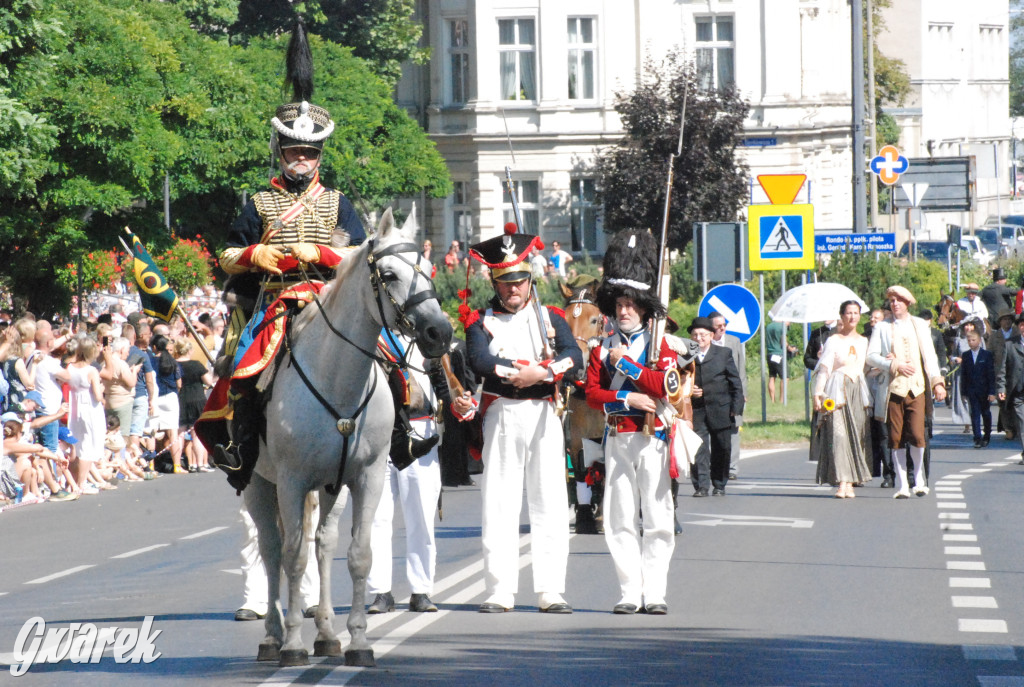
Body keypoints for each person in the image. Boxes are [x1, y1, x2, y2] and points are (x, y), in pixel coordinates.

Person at [201, 21, 366, 493]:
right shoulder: (259, 202)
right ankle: (243, 447)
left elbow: (358, 252)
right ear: (280, 150)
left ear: (320, 156)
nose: (302, 160)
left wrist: (324, 253)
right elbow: (227, 255)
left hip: (331, 298)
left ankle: (402, 430)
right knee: (247, 368)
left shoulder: (338, 203)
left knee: (391, 352)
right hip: (278, 302)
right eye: (294, 151)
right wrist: (258, 253)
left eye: (310, 153)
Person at [464, 225, 583, 613]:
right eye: (505, 283)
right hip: (502, 410)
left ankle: (551, 589)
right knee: (499, 503)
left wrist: (543, 374)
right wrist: (519, 371)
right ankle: (500, 590)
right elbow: (479, 361)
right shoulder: (480, 321)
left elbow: (573, 357)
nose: (513, 290)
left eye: (519, 281)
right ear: (496, 283)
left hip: (543, 412)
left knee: (550, 500)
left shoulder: (550, 317)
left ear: (529, 280)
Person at [585, 229, 677, 615]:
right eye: (620, 304)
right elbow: (591, 393)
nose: (624, 311)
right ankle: (628, 592)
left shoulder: (661, 345)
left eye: (631, 305)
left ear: (642, 308)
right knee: (620, 518)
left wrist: (624, 364)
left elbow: (664, 386)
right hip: (617, 435)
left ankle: (654, 592)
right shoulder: (601, 345)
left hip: (652, 436)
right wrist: (624, 395)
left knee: (657, 519)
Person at [366, 330, 476, 614]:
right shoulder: (373, 333)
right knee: (376, 518)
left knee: (421, 519)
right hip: (376, 432)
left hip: (420, 428)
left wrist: (459, 402)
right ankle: (380, 591)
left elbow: (447, 388)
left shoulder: (431, 339)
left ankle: (421, 590)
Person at [866, 285, 947, 499]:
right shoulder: (882, 327)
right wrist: (893, 364)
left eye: (898, 300)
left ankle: (919, 479)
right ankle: (902, 484)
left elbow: (930, 356)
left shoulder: (919, 324)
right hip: (893, 389)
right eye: (892, 301)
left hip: (917, 387)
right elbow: (871, 356)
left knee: (918, 435)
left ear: (907, 303)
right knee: (896, 438)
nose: (894, 304)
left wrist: (937, 382)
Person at [810, 301, 873, 498]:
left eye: (856, 313)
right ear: (842, 316)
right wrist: (818, 394)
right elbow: (825, 369)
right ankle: (842, 481)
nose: (852, 317)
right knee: (838, 436)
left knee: (857, 435)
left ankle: (851, 481)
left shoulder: (864, 341)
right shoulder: (833, 340)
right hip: (837, 391)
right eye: (848, 313)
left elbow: (869, 367)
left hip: (858, 390)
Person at [688, 317, 743, 497]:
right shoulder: (685, 356)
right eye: (695, 335)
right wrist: (688, 390)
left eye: (703, 335)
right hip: (696, 409)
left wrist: (737, 407)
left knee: (722, 447)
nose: (699, 338)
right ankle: (701, 486)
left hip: (721, 409)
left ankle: (719, 484)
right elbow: (677, 381)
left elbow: (735, 382)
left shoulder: (723, 353)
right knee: (698, 449)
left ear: (711, 336)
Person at [66, 337, 107, 493]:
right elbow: (97, 395)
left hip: (75, 405)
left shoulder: (70, 368)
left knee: (78, 443)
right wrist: (102, 394)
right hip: (90, 408)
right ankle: (82, 482)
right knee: (88, 445)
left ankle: (75, 481)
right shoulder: (91, 370)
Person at [710, 311, 746, 480]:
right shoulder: (704, 342)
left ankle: (732, 468)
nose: (722, 328)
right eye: (718, 326)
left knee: (733, 431)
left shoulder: (734, 342)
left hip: (732, 394)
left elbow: (741, 370)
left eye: (724, 325)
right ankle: (714, 466)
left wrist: (742, 394)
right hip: (712, 395)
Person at [956, 329, 995, 448]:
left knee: (986, 413)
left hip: (984, 389)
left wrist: (992, 392)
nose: (971, 342)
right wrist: (963, 392)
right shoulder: (966, 355)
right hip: (971, 389)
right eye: (969, 340)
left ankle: (987, 435)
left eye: (973, 340)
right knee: (974, 413)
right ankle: (977, 437)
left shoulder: (986, 355)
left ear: (979, 340)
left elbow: (991, 374)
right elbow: (964, 375)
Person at [996, 314, 1024, 464]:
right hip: (1018, 391)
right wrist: (1001, 388)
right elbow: (1002, 369)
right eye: (1021, 325)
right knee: (1022, 423)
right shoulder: (1010, 344)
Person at [987, 308, 1017, 440]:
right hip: (999, 372)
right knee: (1003, 401)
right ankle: (1008, 428)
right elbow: (989, 354)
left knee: (1017, 401)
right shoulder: (995, 336)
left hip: (1016, 372)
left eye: (1009, 319)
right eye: (1004, 319)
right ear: (1000, 322)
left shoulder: (1017, 333)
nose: (1007, 322)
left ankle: (1017, 426)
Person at [765, 319, 797, 403]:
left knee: (772, 377)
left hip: (769, 354)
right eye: (789, 322)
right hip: (779, 354)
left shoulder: (769, 326)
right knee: (785, 377)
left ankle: (772, 400)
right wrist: (791, 349)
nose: (789, 324)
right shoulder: (782, 326)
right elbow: (783, 341)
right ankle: (782, 400)